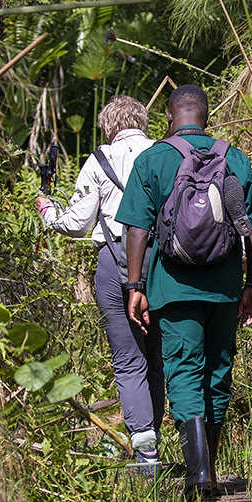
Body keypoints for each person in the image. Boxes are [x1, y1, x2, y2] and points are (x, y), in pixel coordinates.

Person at [117, 85, 252, 499]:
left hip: (173, 287)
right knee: (218, 372)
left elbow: (137, 230)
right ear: (206, 116)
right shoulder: (234, 157)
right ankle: (209, 469)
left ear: (168, 117)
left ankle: (198, 475)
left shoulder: (153, 160)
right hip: (223, 286)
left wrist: (134, 286)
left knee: (183, 369)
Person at [36, 95, 163, 474]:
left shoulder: (99, 160)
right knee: (156, 358)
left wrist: (48, 212)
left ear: (108, 126)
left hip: (114, 261)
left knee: (129, 359)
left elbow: (77, 223)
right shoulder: (164, 154)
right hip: (160, 263)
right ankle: (155, 433)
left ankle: (146, 454)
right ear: (142, 120)